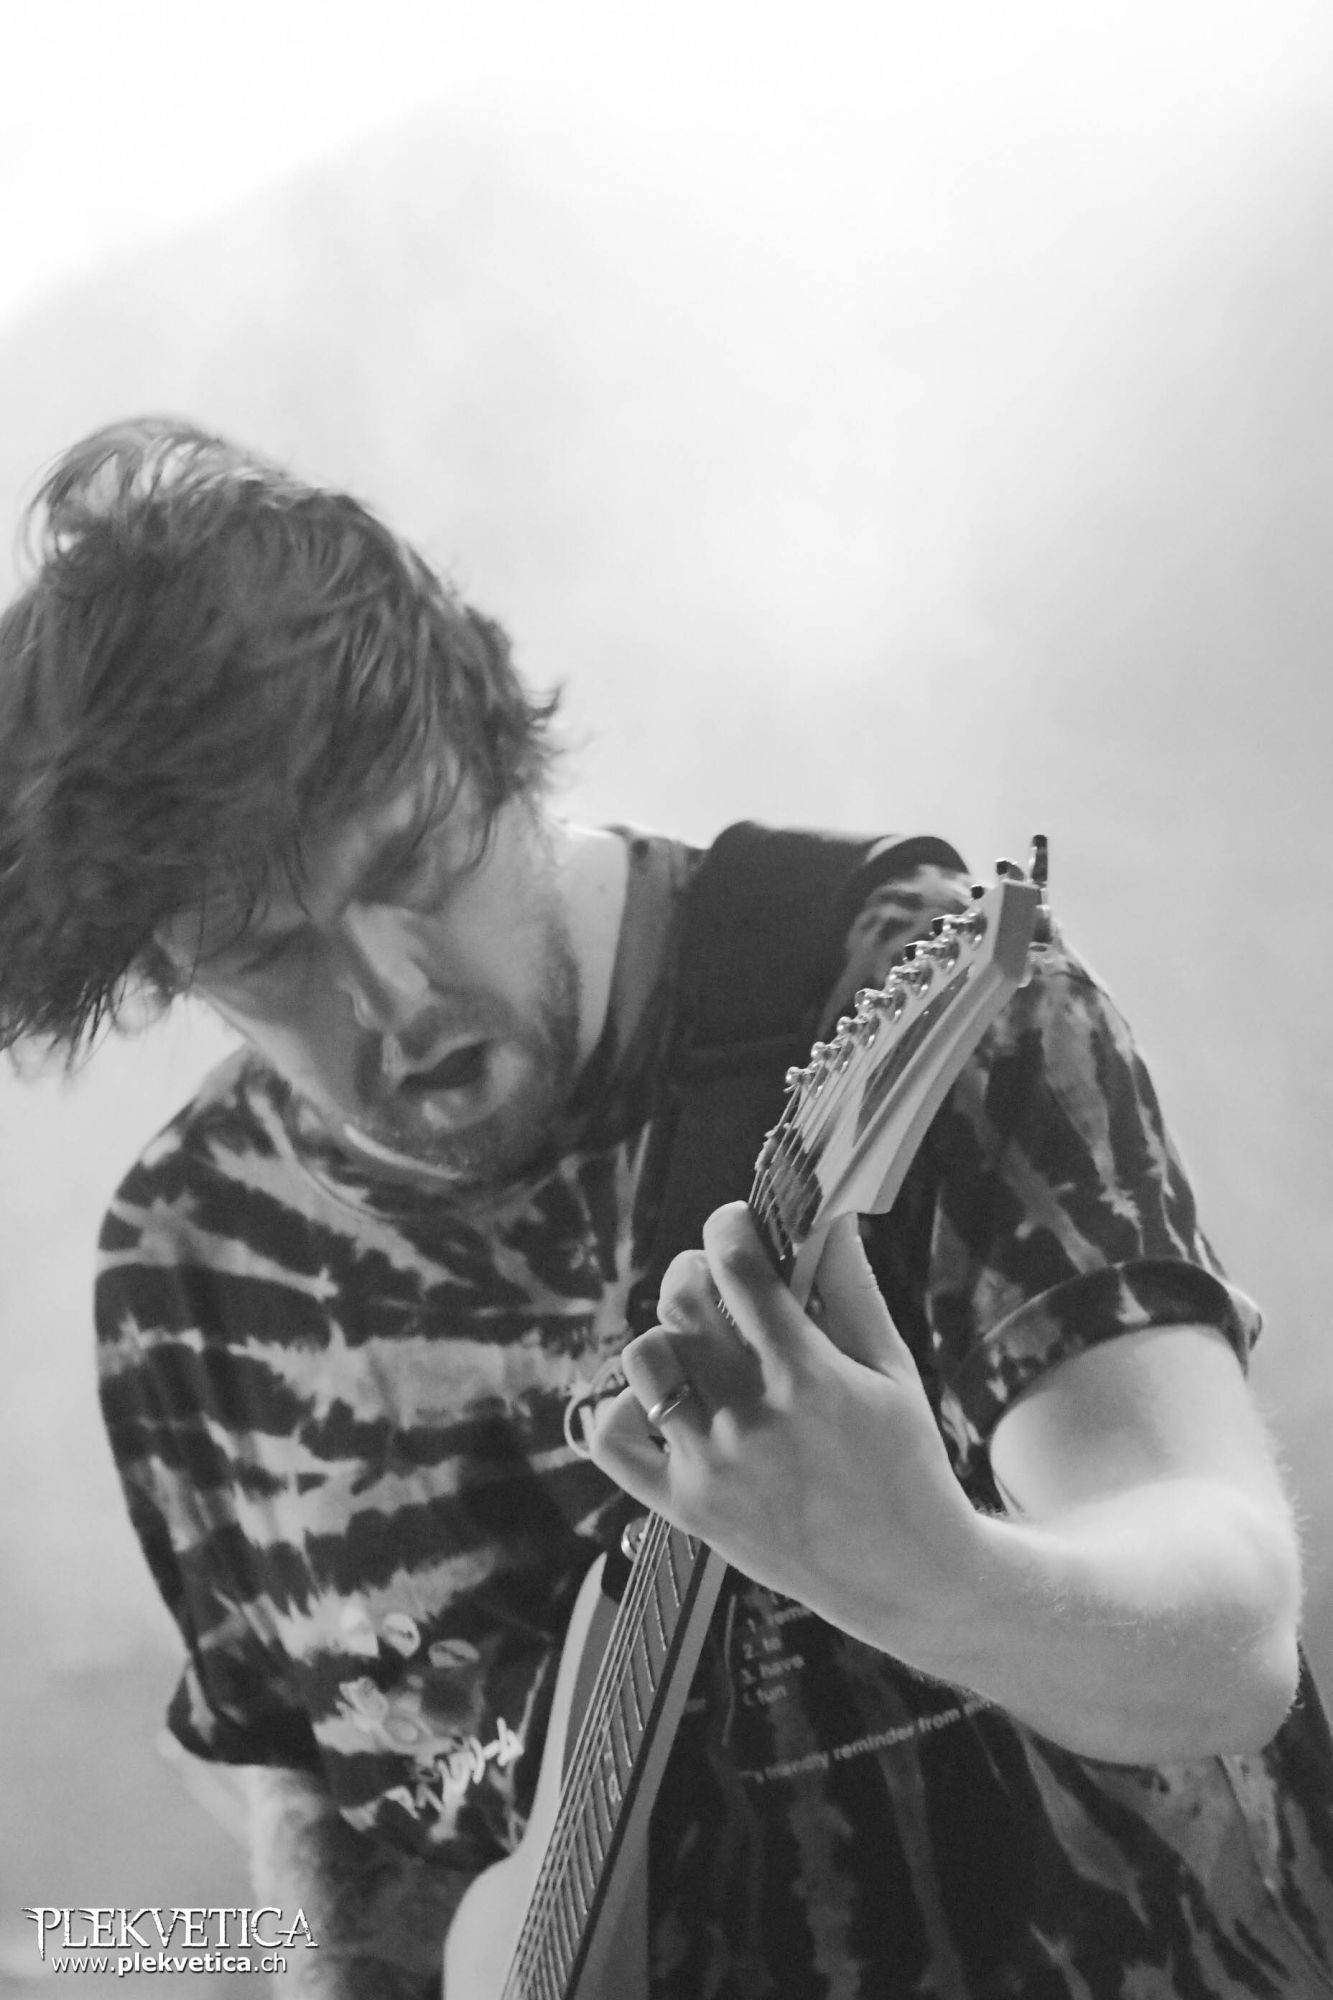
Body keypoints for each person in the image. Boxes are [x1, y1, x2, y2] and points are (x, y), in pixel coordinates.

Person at [1, 415, 1330, 1999]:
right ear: (170, 971)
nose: (394, 996)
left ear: (496, 741)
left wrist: (936, 1578)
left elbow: (1225, 1644)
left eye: (414, 863)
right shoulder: (185, 1264)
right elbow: (326, 1816)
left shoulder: (895, 995)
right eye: (269, 957)